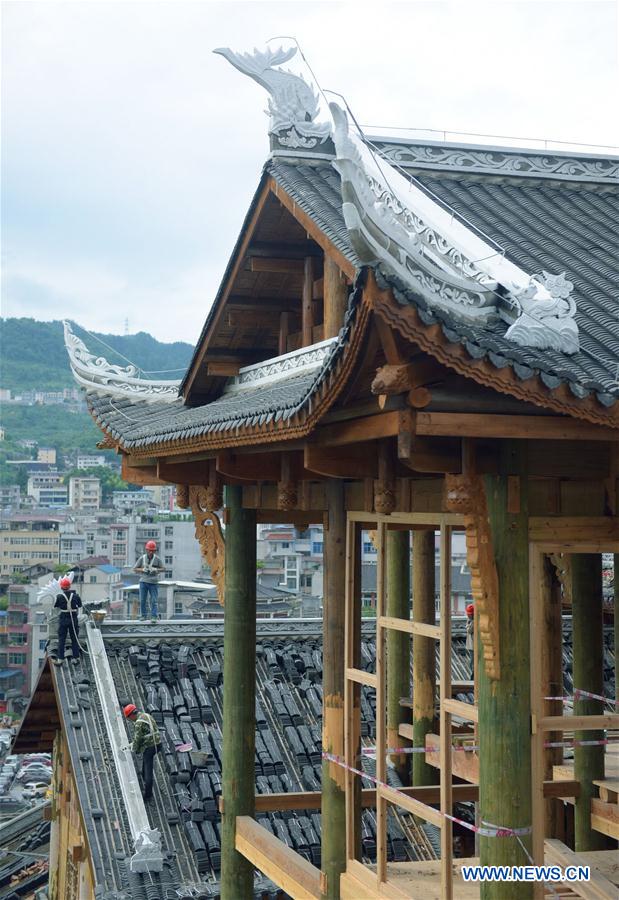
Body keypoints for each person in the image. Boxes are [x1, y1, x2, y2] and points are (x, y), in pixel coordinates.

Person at [123, 703, 161, 801]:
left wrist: (133, 749)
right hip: (158, 744)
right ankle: (143, 774)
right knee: (146, 758)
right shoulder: (146, 715)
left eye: (129, 718)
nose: (130, 720)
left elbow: (137, 739)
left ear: (132, 715)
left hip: (151, 747)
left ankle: (148, 795)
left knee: (149, 769)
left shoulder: (139, 722)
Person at [53, 577, 82, 666]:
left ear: (61, 587)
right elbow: (80, 605)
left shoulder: (59, 596)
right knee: (74, 638)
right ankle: (75, 658)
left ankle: (60, 659)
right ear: (69, 587)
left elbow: (56, 606)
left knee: (62, 639)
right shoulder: (76, 596)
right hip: (73, 618)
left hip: (64, 618)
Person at [134, 540, 164, 621]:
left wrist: (156, 569)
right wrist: (143, 569)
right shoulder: (142, 558)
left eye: (152, 550)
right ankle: (143, 615)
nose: (150, 552)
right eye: (149, 550)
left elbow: (163, 568)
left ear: (154, 551)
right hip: (143, 581)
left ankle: (154, 616)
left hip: (153, 582)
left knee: (154, 600)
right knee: (142, 599)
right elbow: (135, 569)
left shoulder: (157, 559)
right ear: (146, 550)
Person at [465, 602, 474, 680]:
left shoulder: (473, 622)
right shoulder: (470, 620)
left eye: (469, 614)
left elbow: (469, 630)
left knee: (473, 662)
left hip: (473, 646)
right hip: (471, 646)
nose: (468, 615)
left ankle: (472, 677)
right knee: (471, 662)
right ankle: (472, 676)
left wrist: (469, 623)